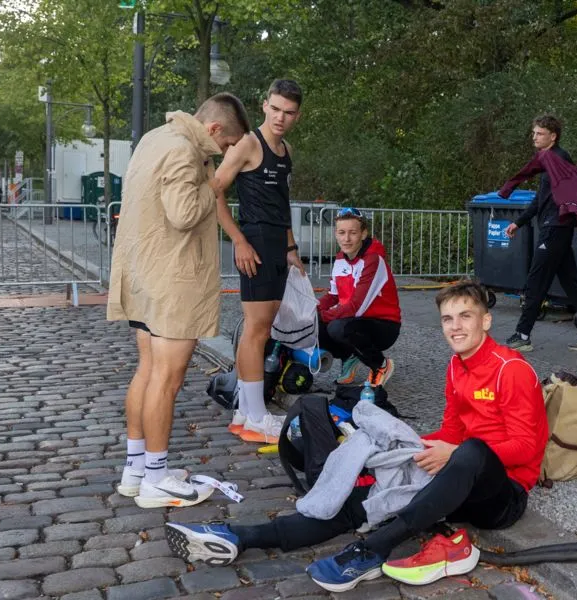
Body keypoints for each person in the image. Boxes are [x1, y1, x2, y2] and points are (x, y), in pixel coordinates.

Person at [165, 280, 548, 593]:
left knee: (472, 451)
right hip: (456, 479)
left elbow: (527, 448)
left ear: (486, 321)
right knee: (357, 499)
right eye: (448, 319)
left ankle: (372, 550)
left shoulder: (511, 370)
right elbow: (450, 431)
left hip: (502, 494)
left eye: (466, 316)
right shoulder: (455, 366)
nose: (455, 327)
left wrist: (453, 451)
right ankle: (240, 536)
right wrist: (408, 446)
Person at [108, 93, 251, 508]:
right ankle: (155, 478)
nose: (225, 153)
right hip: (171, 280)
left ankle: (136, 470)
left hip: (144, 275)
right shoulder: (184, 150)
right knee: (166, 380)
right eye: (227, 145)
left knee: (148, 371)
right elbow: (184, 214)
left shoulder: (155, 138)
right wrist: (218, 180)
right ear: (214, 129)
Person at [211, 79, 306, 444]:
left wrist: (291, 247)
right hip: (255, 243)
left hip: (276, 244)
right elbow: (214, 191)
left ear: (297, 116)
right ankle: (254, 416)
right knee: (256, 330)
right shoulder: (249, 143)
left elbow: (281, 204)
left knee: (262, 330)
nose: (280, 117)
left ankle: (245, 411)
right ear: (264, 105)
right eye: (276, 109)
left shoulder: (286, 150)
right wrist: (238, 240)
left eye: (289, 112)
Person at [500, 115, 577, 354]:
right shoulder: (547, 160)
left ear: (553, 136)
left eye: (540, 133)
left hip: (555, 229)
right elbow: (542, 198)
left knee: (536, 281)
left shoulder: (559, 159)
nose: (534, 137)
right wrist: (519, 222)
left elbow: (574, 196)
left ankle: (522, 335)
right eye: (534, 133)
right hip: (554, 228)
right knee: (572, 282)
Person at [318, 207, 400, 386]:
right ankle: (350, 356)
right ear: (336, 234)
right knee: (313, 325)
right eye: (342, 232)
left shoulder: (373, 260)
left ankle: (381, 365)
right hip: (355, 321)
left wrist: (323, 315)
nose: (346, 238)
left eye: (353, 233)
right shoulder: (340, 258)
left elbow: (356, 307)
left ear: (363, 234)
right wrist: (312, 310)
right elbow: (333, 295)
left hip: (384, 325)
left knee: (337, 327)